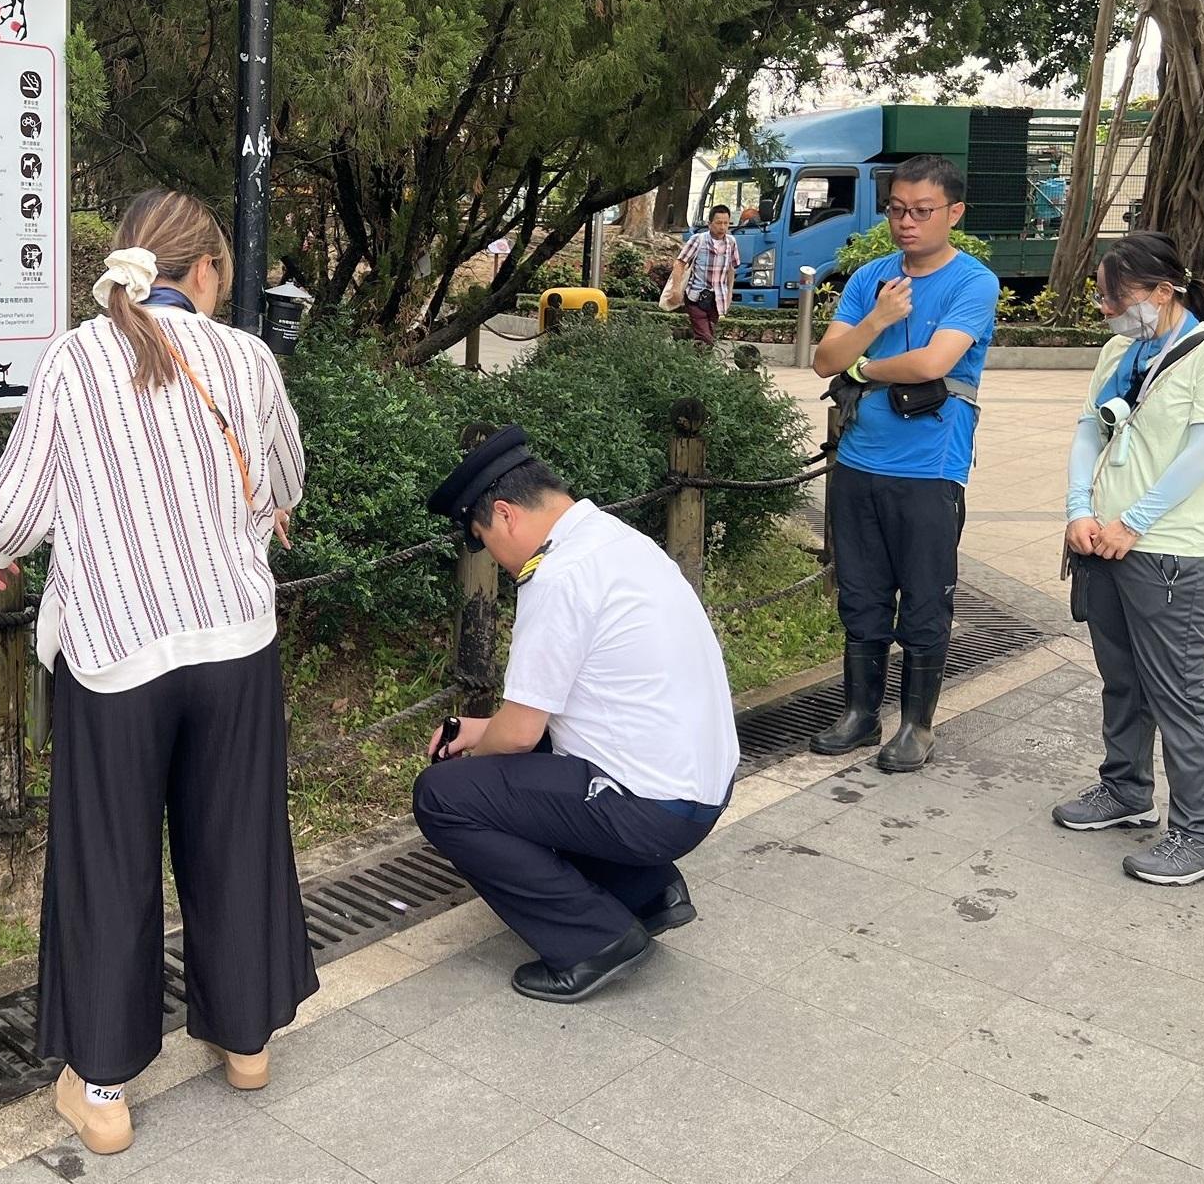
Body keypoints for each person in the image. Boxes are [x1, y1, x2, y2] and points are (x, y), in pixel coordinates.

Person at [0, 189, 314, 1155]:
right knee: (236, 836)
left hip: (118, 649)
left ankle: (103, 1091)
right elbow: (284, 478)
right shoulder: (247, 357)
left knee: (110, 858)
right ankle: (245, 1041)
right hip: (235, 642)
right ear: (204, 271)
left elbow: (19, 509)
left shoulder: (77, 357)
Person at [412, 428, 740, 1003]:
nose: (495, 559)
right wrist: (478, 731)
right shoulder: (617, 540)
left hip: (653, 809)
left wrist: (473, 758)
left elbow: (519, 736)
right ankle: (648, 892)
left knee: (443, 796)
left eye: (485, 541)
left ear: (506, 515)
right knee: (521, 767)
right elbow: (553, 713)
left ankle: (594, 940)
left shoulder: (557, 576)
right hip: (701, 787)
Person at [1053, 231, 1204, 886]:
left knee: (1180, 694)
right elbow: (1090, 429)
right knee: (1123, 679)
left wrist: (1134, 523)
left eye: (1116, 297)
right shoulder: (1120, 350)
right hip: (1102, 540)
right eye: (1103, 297)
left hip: (1169, 552)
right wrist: (1078, 508)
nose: (1106, 308)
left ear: (1163, 292)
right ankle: (1126, 789)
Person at [809, 155, 999, 772]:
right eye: (896, 210)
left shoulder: (974, 283)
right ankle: (860, 715)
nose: (906, 222)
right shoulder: (872, 278)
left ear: (954, 212)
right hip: (858, 460)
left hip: (930, 467)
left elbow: (932, 363)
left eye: (921, 211)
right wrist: (878, 319)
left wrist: (862, 366)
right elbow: (822, 359)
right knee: (861, 592)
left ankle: (917, 726)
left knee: (923, 598)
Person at [677, 205, 741, 346]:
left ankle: (690, 351)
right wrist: (676, 290)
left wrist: (730, 293)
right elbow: (680, 263)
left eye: (726, 223)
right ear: (709, 223)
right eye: (718, 223)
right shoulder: (698, 240)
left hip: (717, 298)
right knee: (705, 337)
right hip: (695, 295)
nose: (722, 227)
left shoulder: (731, 242)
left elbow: (731, 268)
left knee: (709, 335)